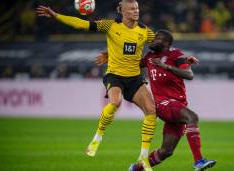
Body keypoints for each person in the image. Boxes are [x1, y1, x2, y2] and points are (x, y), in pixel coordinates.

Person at [36, 1, 156, 170]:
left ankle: (143, 157)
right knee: (115, 102)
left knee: (151, 110)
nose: (136, 11)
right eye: (131, 9)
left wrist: (179, 59)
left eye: (137, 8)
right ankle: (97, 137)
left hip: (135, 78)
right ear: (122, 11)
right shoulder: (110, 25)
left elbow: (161, 45)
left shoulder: (145, 31)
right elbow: (82, 24)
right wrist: (56, 16)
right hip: (114, 76)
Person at [96, 30, 216, 171]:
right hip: (163, 104)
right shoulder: (149, 57)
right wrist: (111, 56)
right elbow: (129, 63)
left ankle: (136, 169)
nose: (152, 41)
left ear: (165, 42)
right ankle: (199, 161)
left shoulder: (176, 54)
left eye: (156, 39)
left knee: (166, 151)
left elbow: (189, 75)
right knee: (192, 117)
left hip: (178, 104)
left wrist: (167, 66)